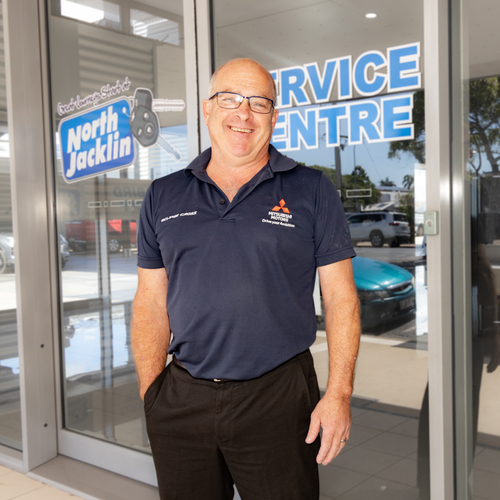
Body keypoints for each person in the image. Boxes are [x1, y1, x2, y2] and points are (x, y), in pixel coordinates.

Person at [132, 58, 360, 500]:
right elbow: (150, 300)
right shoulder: (163, 194)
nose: (244, 113)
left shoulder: (312, 189)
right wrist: (152, 395)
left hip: (278, 396)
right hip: (182, 396)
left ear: (274, 117)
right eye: (230, 99)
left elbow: (341, 298)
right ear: (208, 108)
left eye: (259, 103)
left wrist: (339, 394)